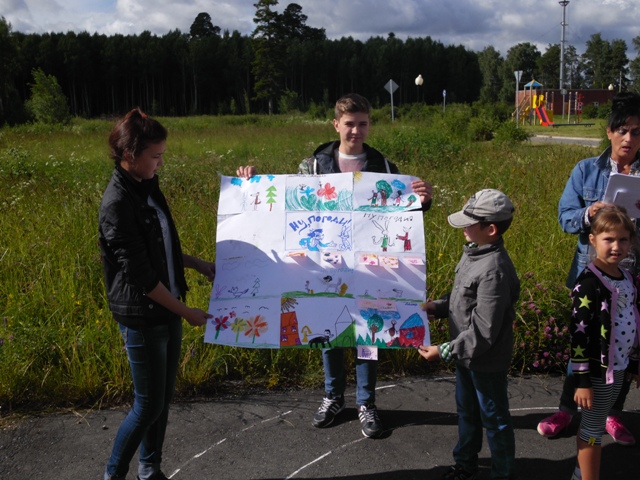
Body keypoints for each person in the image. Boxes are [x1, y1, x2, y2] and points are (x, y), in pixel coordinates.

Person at [236, 93, 432, 438]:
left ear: (370, 124)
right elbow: (286, 202)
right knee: (328, 330)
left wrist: (424, 200)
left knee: (368, 334)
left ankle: (366, 403)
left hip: (371, 268)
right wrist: (251, 182)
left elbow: (406, 211)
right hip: (325, 264)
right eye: (349, 124)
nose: (356, 131)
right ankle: (333, 397)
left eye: (363, 124)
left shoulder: (385, 168)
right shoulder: (313, 166)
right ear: (336, 124)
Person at [99, 108, 215, 480]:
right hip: (143, 315)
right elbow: (143, 278)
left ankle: (150, 469)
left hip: (167, 307)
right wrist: (186, 311)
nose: (161, 163)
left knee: (162, 400)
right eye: (156, 156)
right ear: (129, 154)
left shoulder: (147, 187)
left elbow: (162, 248)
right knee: (148, 404)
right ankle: (113, 474)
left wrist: (196, 264)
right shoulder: (117, 204)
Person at [538, 91, 640, 445]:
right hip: (593, 275)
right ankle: (567, 409)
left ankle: (611, 413)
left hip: (633, 277)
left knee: (624, 343)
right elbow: (565, 218)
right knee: (584, 339)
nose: (629, 139)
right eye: (622, 130)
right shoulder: (586, 170)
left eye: (637, 132)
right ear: (609, 132)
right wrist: (589, 214)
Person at [418, 188, 519, 480]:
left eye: (469, 223)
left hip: (485, 362)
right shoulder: (474, 253)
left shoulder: (494, 271)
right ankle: (465, 463)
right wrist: (437, 307)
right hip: (465, 357)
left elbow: (484, 331)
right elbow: (461, 299)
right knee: (467, 413)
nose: (463, 227)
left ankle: (502, 474)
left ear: (491, 229)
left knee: (495, 420)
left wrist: (444, 351)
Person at [567, 205, 640, 480]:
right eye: (608, 239)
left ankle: (580, 473)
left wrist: (634, 362)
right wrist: (582, 381)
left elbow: (633, 321)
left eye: (623, 239)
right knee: (593, 430)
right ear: (592, 239)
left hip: (617, 368)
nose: (616, 246)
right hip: (597, 373)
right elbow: (579, 335)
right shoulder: (589, 283)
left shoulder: (627, 278)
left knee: (594, 423)